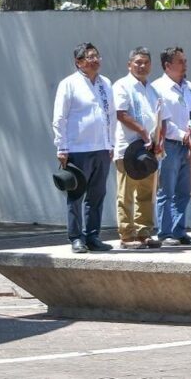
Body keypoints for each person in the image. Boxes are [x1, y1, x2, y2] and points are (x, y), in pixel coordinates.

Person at [52, 43, 116, 253]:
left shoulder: (105, 83)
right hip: (78, 149)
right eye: (90, 57)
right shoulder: (68, 84)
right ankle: (76, 237)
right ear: (79, 62)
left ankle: (92, 236)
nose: (95, 60)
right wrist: (61, 147)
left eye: (97, 56)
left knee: (97, 195)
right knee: (76, 195)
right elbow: (59, 117)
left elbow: (111, 116)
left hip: (102, 149)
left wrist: (111, 143)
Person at [112, 47, 166, 249]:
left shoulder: (153, 90)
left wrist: (159, 139)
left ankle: (144, 232)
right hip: (128, 148)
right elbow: (121, 113)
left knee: (146, 192)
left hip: (149, 150)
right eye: (138, 62)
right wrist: (143, 131)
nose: (142, 66)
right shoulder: (122, 86)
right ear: (129, 64)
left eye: (145, 62)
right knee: (126, 192)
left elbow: (162, 117)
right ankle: (127, 235)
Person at [152, 47, 191, 246]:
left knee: (184, 191)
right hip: (170, 145)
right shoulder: (158, 88)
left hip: (188, 146)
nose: (185, 64)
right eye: (180, 61)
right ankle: (164, 233)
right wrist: (183, 136)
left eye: (185, 60)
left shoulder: (190, 87)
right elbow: (162, 119)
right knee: (167, 190)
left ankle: (179, 230)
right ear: (168, 66)